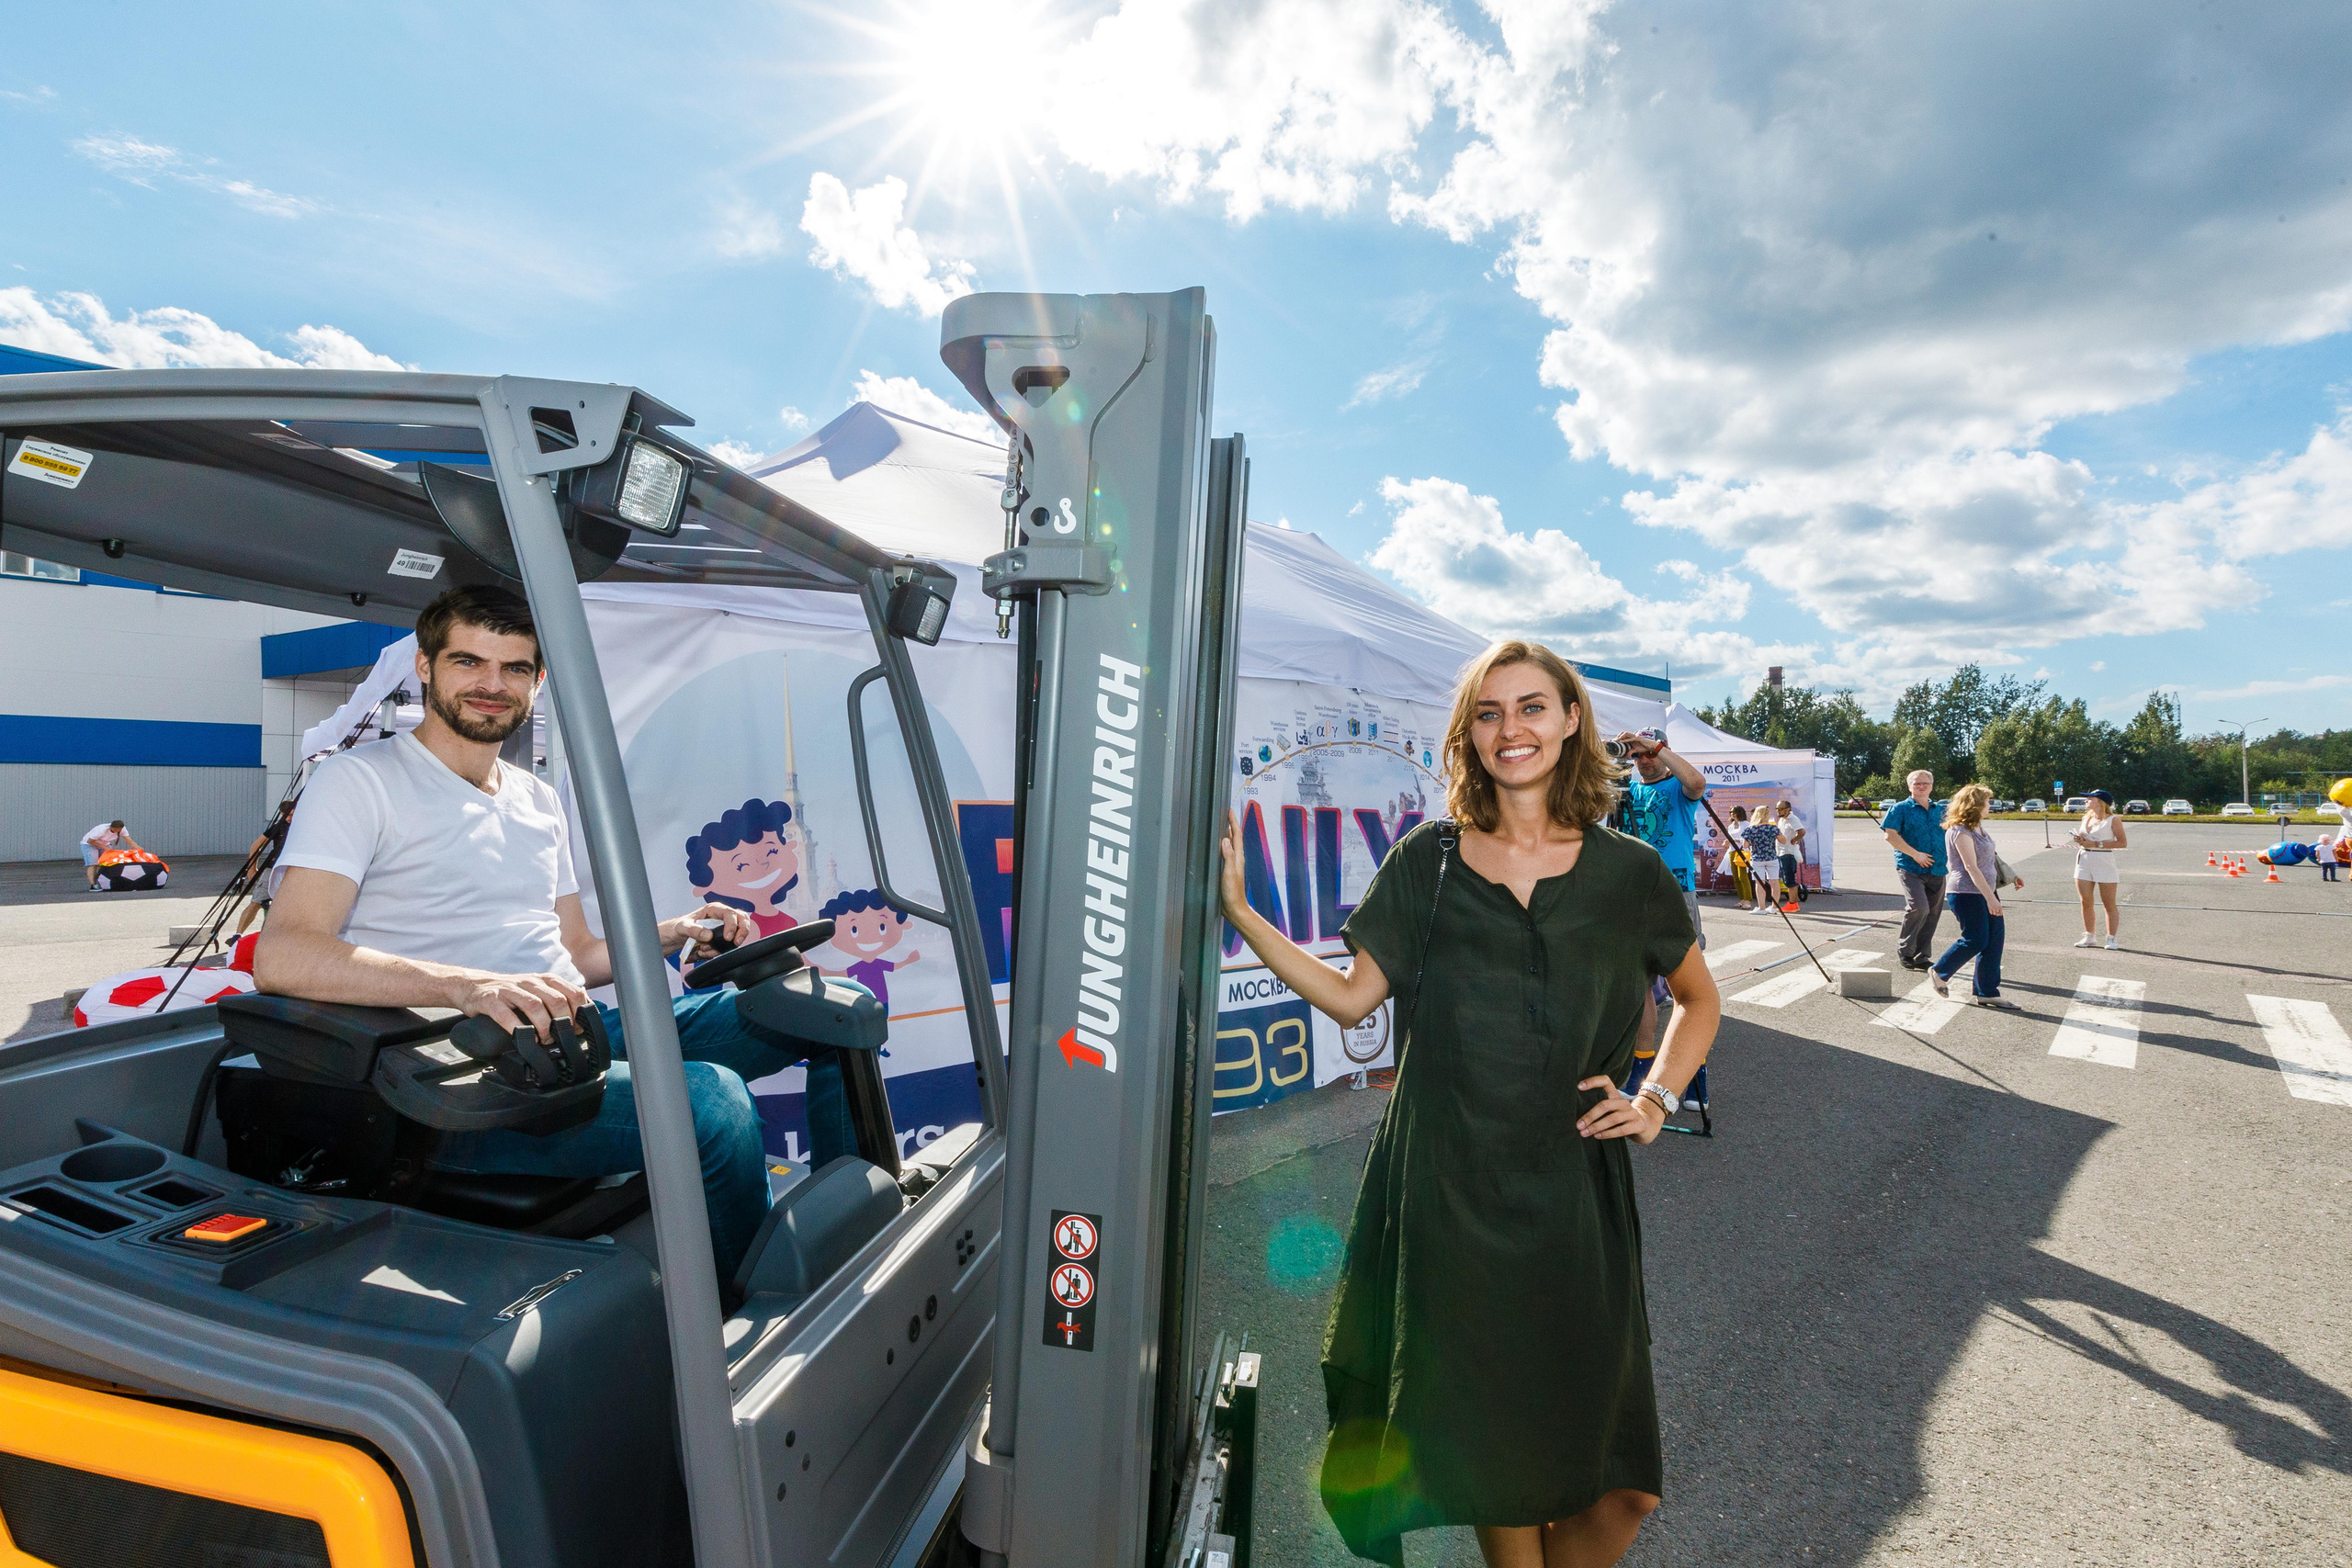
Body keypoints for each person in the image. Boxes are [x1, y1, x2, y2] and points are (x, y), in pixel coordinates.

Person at [1218, 638, 1721, 1568]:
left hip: (1576, 1195)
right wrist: (1245, 915)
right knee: (1498, 1462)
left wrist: (1654, 1100)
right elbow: (1349, 997)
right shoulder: (1428, 862)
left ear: (1572, 720)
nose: (1510, 730)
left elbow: (1700, 1000)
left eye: (1531, 707)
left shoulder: (1629, 874)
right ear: (1468, 736)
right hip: (1450, 1191)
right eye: (1488, 714)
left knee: (1624, 1489)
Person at [257, 585, 854, 1280]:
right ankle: (743, 1313)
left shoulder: (537, 798)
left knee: (824, 1005)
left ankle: (851, 1255)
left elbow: (575, 954)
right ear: (424, 667)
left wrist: (676, 930)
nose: (492, 685)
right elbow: (285, 951)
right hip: (456, 1074)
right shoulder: (360, 782)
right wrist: (466, 985)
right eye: (469, 662)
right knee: (713, 1101)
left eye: (514, 668)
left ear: (538, 681)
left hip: (570, 1031)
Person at [1616, 729, 1708, 1060]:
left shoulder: (1677, 786)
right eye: (1637, 755)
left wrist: (1655, 747)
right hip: (1632, 891)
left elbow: (1697, 783)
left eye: (1649, 754)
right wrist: (1615, 750)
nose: (1643, 761)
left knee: (1687, 987)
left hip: (1675, 889)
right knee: (1638, 982)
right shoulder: (1627, 787)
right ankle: (1643, 1062)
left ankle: (1695, 1066)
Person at [1930, 784, 2015, 1009]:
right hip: (1967, 892)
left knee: (1994, 941)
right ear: (1975, 804)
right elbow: (1971, 866)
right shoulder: (1959, 830)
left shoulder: (1978, 827)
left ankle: (1987, 991)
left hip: (1985, 890)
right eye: (1987, 802)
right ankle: (1939, 971)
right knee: (1976, 939)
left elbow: (1989, 857)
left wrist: (2011, 875)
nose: (1990, 805)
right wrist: (1990, 898)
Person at [1881, 771, 1947, 970]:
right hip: (1910, 867)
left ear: (1932, 786)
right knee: (1919, 907)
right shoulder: (1900, 809)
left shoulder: (1940, 810)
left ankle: (1921, 955)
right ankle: (1905, 950)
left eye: (1926, 783)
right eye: (1917, 783)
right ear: (1909, 786)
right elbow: (1890, 836)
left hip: (1937, 868)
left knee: (1933, 913)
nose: (1922, 786)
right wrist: (1915, 854)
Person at [2070, 789, 2128, 949]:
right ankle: (2089, 936)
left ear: (2100, 802)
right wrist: (2080, 840)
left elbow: (2122, 843)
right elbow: (2086, 839)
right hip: (2084, 860)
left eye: (2089, 798)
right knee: (2085, 901)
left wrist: (2096, 844)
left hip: (2104, 860)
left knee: (2108, 902)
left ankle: (2111, 938)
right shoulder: (2085, 817)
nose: (2086, 801)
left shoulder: (2113, 820)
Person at [80, 819, 145, 889]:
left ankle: (101, 882)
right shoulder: (102, 829)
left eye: (118, 830)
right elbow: (90, 841)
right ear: (111, 827)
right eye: (114, 830)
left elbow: (129, 841)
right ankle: (93, 885)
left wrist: (138, 848)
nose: (116, 831)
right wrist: (105, 847)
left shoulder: (123, 829)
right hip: (89, 845)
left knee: (105, 863)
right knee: (93, 864)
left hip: (105, 844)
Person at [1741, 808, 1783, 910]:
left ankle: (1762, 908)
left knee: (1759, 883)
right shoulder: (1772, 828)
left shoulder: (1750, 829)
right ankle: (1774, 907)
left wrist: (1754, 842)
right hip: (1772, 857)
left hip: (1757, 858)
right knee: (1774, 882)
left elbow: (1745, 845)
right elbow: (1783, 840)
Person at [1773, 799, 1805, 906]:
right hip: (1781, 852)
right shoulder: (1782, 819)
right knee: (1786, 878)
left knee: (1789, 880)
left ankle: (1792, 903)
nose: (1778, 811)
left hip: (1788, 852)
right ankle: (1792, 903)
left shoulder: (1793, 819)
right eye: (1777, 809)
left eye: (1781, 809)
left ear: (1788, 809)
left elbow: (1802, 832)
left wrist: (1795, 839)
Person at [1725, 805, 1757, 908]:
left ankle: (1748, 900)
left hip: (1742, 851)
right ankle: (1741, 899)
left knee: (1742, 876)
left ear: (1739, 813)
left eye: (1734, 812)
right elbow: (1730, 837)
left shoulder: (1746, 824)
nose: (1732, 814)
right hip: (1732, 851)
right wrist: (1728, 841)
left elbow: (1747, 839)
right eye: (1730, 812)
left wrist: (1735, 840)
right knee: (1736, 878)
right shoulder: (1731, 825)